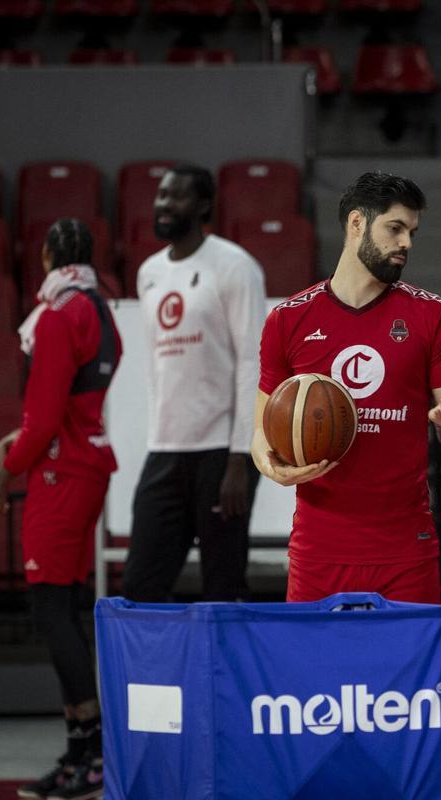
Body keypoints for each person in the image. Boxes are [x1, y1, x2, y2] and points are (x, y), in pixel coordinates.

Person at [251, 170, 441, 604]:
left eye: (412, 232)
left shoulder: (433, 316)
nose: (406, 244)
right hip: (319, 547)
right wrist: (275, 468)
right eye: (395, 228)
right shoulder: (287, 320)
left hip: (405, 548)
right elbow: (261, 435)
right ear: (357, 223)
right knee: (313, 672)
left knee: (409, 674)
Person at [0, 218, 121, 800]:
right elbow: (70, 403)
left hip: (61, 475)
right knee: (65, 608)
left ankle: (87, 756)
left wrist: (1, 477)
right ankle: (85, 754)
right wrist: (32, 435)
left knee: (50, 611)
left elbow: (42, 421)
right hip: (87, 465)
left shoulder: (60, 316)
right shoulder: (100, 308)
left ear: (44, 257)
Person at [121, 163, 266, 602]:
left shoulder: (235, 266)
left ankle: (226, 672)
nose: (164, 205)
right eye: (161, 195)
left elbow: (252, 362)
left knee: (223, 586)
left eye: (176, 196)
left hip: (222, 454)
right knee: (140, 587)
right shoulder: (148, 273)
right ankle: (162, 672)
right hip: (166, 449)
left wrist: (241, 459)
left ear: (203, 205)